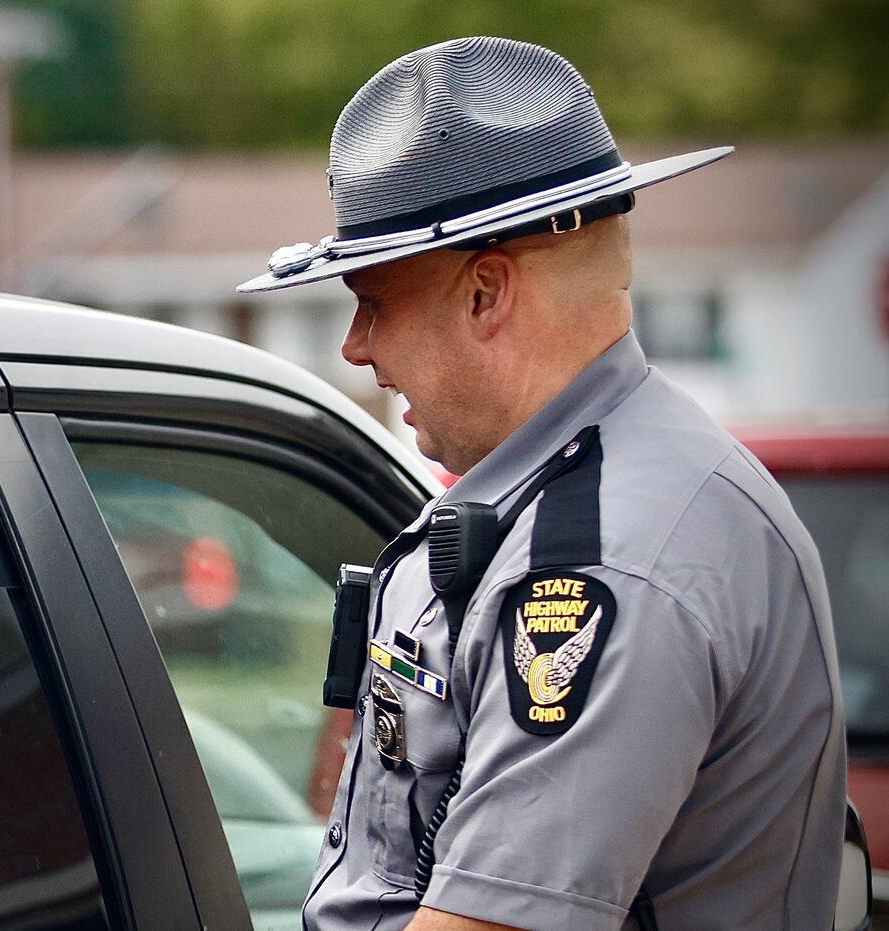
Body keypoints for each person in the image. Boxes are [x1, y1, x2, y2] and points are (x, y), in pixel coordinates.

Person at [238, 37, 846, 930]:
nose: (356, 346)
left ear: (486, 295)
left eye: (375, 301)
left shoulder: (609, 559)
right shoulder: (573, 496)